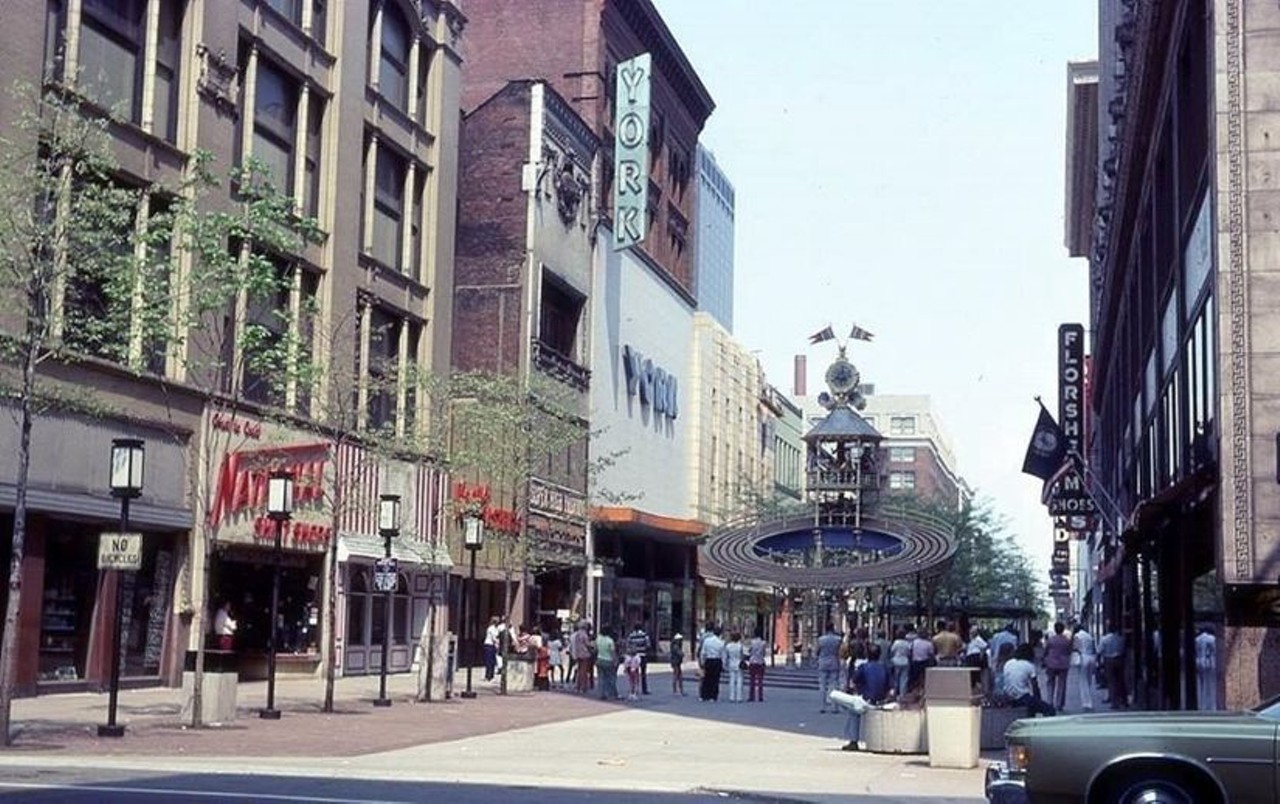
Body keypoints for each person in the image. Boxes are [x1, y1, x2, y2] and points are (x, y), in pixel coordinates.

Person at [830, 643, 891, 752]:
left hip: (865, 701)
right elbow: (892, 689)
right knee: (854, 708)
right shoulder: (885, 668)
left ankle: (853, 741)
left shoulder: (864, 667)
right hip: (881, 702)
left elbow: (852, 683)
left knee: (839, 699)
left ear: (868, 655)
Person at [1003, 643, 1056, 718]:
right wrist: (1038, 700)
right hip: (1022, 697)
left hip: (1008, 696)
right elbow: (1035, 686)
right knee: (1050, 710)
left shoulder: (1008, 663)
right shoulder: (1029, 666)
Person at [1043, 621, 1073, 712]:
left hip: (1051, 663)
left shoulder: (1051, 640)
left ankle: (1049, 702)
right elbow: (1069, 651)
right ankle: (1059, 704)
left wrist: (1044, 659)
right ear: (1063, 630)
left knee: (1050, 683)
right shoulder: (1067, 640)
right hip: (1063, 664)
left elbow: (1046, 651)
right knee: (1062, 684)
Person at [1098, 622, 1128, 710]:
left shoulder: (1104, 639)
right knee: (1121, 680)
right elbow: (1124, 650)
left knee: (1112, 682)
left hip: (1109, 660)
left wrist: (1099, 662)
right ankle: (1124, 700)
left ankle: (1115, 703)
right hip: (1120, 660)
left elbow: (1099, 651)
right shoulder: (1121, 638)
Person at [816, 622, 843, 713]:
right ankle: (835, 707)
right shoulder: (838, 639)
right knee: (834, 685)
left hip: (823, 662)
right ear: (833, 628)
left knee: (822, 685)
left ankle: (822, 707)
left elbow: (817, 651)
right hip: (834, 662)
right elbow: (840, 651)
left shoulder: (821, 639)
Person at [1071, 622, 1097, 712]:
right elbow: (1094, 648)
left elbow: (1075, 647)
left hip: (1083, 658)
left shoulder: (1077, 636)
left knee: (1083, 682)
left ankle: (1086, 703)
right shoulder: (1089, 636)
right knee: (1089, 681)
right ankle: (1089, 701)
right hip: (1091, 658)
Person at [698, 625, 725, 702]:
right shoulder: (721, 643)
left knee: (706, 678)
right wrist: (723, 664)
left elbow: (703, 652)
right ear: (720, 633)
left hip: (708, 660)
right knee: (715, 679)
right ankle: (713, 696)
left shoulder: (707, 641)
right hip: (717, 660)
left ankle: (704, 695)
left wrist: (702, 661)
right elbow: (723, 655)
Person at [1195, 625, 1218, 711]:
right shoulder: (1212, 638)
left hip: (1199, 660)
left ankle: (1201, 705)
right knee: (1209, 685)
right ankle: (1210, 705)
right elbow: (1214, 650)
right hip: (1210, 662)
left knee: (1200, 685)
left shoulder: (1197, 639)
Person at [625, 622, 652, 695]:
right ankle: (644, 689)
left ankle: (633, 688)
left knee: (634, 673)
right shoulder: (644, 635)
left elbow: (628, 644)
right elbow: (648, 644)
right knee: (643, 673)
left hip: (634, 656)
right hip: (642, 655)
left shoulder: (631, 635)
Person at [595, 625, 619, 701]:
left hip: (599, 659)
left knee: (601, 678)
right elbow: (612, 652)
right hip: (608, 660)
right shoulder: (610, 641)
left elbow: (596, 648)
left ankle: (601, 694)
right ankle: (613, 693)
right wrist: (615, 660)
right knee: (611, 678)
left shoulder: (598, 639)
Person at [570, 620, 594, 694]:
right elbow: (587, 644)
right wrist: (592, 645)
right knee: (584, 671)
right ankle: (583, 687)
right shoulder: (584, 634)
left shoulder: (577, 634)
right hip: (584, 653)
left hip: (578, 653)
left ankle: (578, 686)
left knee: (579, 671)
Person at [888, 626, 911, 699]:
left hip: (896, 662)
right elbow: (909, 653)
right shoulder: (907, 643)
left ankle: (894, 693)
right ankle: (902, 695)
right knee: (904, 679)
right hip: (905, 662)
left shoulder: (896, 643)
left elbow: (892, 651)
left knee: (895, 679)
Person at [724, 630, 745, 703]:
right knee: (739, 680)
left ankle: (731, 697)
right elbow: (742, 655)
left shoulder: (728, 646)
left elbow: (726, 656)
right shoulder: (740, 646)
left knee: (732, 680)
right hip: (738, 663)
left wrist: (724, 664)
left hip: (731, 663)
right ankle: (739, 697)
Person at [747, 628, 767, 702]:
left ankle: (751, 696)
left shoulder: (752, 642)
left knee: (752, 680)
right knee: (760, 680)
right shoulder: (763, 643)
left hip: (752, 661)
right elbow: (764, 653)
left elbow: (749, 651)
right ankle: (760, 696)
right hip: (760, 661)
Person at [483, 616, 501, 681]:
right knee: (489, 661)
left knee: (493, 662)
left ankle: (491, 675)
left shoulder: (496, 628)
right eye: (497, 622)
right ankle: (488, 676)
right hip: (489, 645)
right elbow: (494, 638)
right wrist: (499, 643)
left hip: (493, 646)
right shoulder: (491, 628)